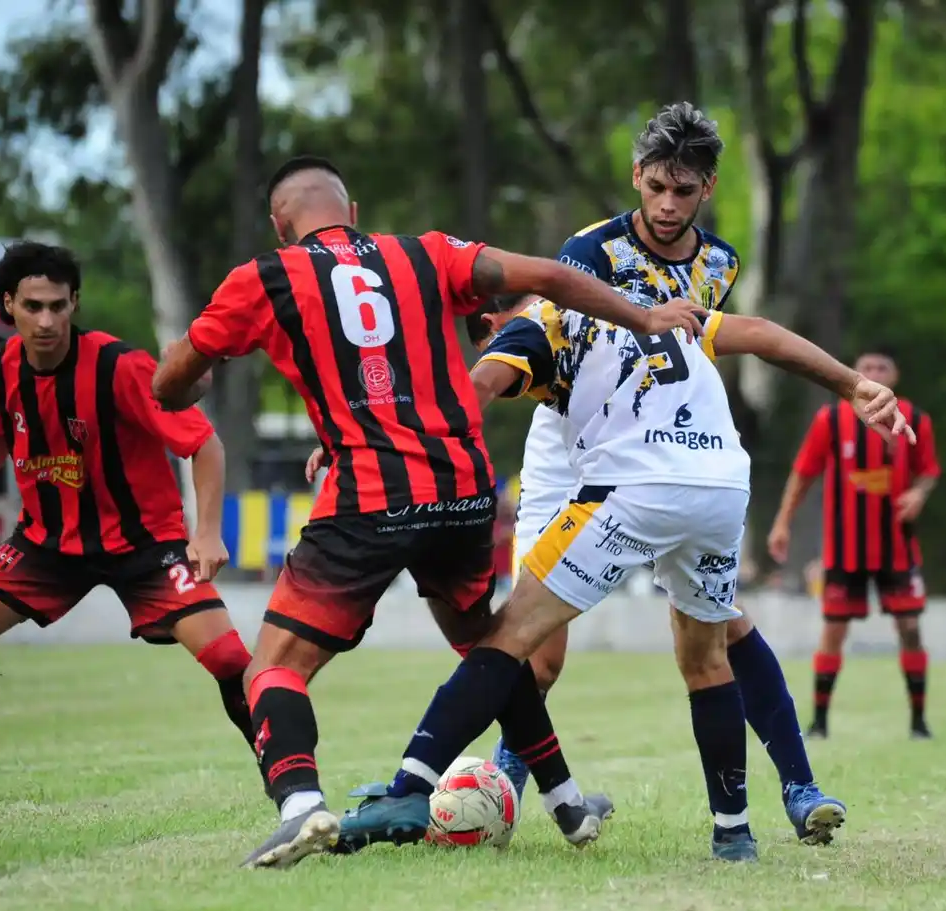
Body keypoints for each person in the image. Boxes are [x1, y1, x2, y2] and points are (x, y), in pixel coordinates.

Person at [152, 154, 704, 869]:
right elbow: (550, 276)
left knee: (272, 670)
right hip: (462, 490)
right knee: (486, 644)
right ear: (352, 213)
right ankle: (568, 803)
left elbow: (169, 383)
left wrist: (188, 380)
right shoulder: (427, 253)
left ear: (279, 226)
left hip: (370, 495)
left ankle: (300, 806)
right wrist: (647, 316)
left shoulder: (264, 277)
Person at [337, 294, 910, 862]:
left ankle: (798, 788)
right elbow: (758, 332)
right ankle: (532, 790)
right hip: (591, 473)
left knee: (707, 630)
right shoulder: (587, 328)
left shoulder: (576, 317)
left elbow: (475, 389)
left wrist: (380, 453)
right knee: (545, 657)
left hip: (642, 467)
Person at [489, 102, 849, 845]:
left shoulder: (720, 265)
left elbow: (707, 349)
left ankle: (800, 786)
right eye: (656, 187)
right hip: (570, 444)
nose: (666, 204)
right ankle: (500, 790)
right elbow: (550, 333)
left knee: (721, 622)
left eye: (683, 191)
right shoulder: (588, 251)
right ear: (636, 177)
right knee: (540, 651)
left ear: (708, 188)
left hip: (664, 450)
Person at [0, 241, 256, 805]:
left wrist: (206, 532)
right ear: (8, 305)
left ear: (74, 302)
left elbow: (205, 445)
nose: (47, 320)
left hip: (146, 547)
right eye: (33, 306)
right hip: (45, 545)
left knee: (227, 658)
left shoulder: (120, 367)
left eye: (58, 305)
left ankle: (293, 787)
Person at [767, 348, 940, 740]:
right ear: (854, 373)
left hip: (897, 548)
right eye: (866, 367)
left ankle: (918, 722)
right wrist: (782, 522)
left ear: (894, 376)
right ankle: (819, 722)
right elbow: (803, 472)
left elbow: (929, 471)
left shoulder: (915, 420)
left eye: (882, 367)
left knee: (910, 628)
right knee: (833, 632)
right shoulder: (831, 419)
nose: (874, 372)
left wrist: (919, 493)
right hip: (845, 550)